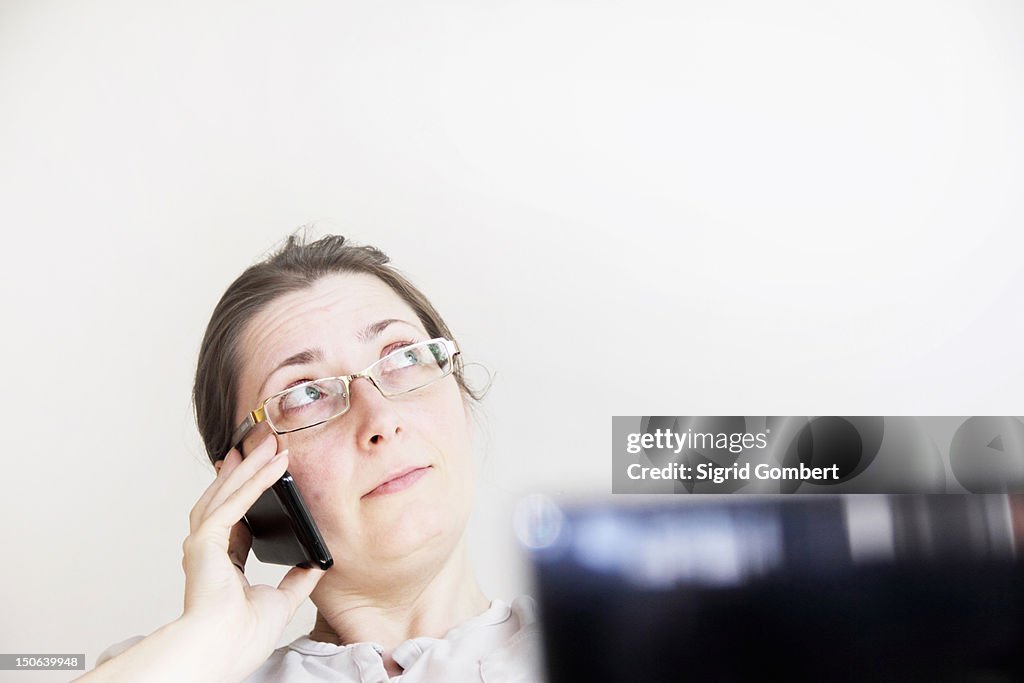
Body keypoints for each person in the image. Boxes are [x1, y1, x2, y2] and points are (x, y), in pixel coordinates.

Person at [79, 233, 544, 682]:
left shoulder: (603, 646)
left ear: (460, 399)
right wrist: (205, 644)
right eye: (305, 394)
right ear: (245, 483)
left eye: (403, 358)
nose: (381, 418)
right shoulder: (177, 669)